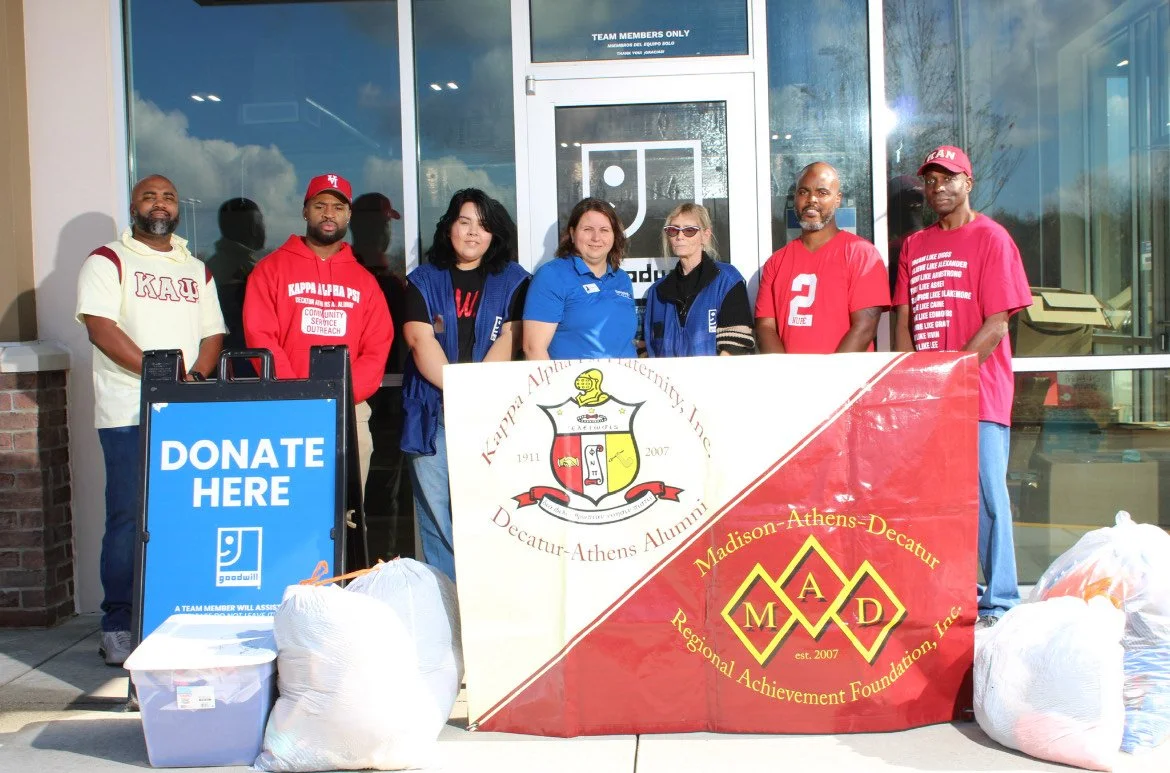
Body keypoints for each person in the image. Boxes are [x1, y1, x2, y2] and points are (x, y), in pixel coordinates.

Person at [76, 174, 227, 665]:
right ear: (134, 206)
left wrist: (195, 379)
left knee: (184, 517)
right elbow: (101, 328)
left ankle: (173, 615)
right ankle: (118, 623)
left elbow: (212, 334)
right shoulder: (108, 260)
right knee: (128, 517)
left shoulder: (195, 269)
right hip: (128, 411)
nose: (159, 203)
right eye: (149, 196)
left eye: (168, 197)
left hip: (185, 411)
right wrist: (160, 376)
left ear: (178, 209)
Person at [893, 145, 1032, 629]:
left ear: (968, 182)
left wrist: (952, 379)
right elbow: (905, 319)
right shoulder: (915, 246)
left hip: (977, 393)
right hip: (931, 397)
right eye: (930, 181)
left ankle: (1002, 601)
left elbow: (997, 324)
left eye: (948, 178)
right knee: (938, 503)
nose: (938, 188)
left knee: (989, 499)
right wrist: (918, 380)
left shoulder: (992, 238)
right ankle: (957, 595)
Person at [401, 189, 530, 581]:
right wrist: (459, 393)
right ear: (449, 227)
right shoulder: (423, 280)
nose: (473, 232)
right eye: (464, 221)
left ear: (495, 234)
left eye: (483, 225)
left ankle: (488, 593)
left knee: (491, 506)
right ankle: (448, 597)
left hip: (491, 412)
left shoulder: (516, 281)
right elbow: (420, 342)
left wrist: (475, 395)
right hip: (432, 410)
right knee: (437, 511)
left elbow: (511, 339)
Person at [242, 173, 393, 490]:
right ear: (305, 211)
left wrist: (342, 394)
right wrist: (299, 393)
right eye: (320, 205)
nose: (329, 214)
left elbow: (377, 346)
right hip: (285, 410)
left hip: (349, 412)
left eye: (338, 207)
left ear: (348, 215)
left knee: (348, 518)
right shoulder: (270, 270)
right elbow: (261, 337)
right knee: (291, 511)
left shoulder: (365, 281)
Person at [755, 162, 890, 353]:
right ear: (795, 198)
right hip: (791, 380)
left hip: (846, 379)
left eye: (822, 192)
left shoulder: (862, 254)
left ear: (838, 199)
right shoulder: (776, 263)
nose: (811, 199)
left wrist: (828, 379)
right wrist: (785, 376)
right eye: (803, 192)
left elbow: (865, 327)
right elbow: (765, 328)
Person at [523, 198, 637, 360]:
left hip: (624, 381)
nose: (596, 238)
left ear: (614, 235)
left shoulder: (622, 279)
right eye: (588, 229)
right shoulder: (552, 276)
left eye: (604, 230)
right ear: (572, 233)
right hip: (575, 383)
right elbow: (533, 349)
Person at [643, 203, 754, 357]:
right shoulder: (658, 292)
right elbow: (648, 349)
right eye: (673, 230)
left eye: (689, 230)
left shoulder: (727, 280)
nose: (680, 236)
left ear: (705, 235)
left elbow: (735, 346)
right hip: (665, 380)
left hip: (712, 379)